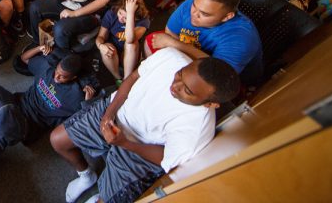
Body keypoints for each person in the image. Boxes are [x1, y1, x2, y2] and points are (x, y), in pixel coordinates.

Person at [50, 46, 240, 203]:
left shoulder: (197, 128)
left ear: (209, 104)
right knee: (58, 140)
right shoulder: (170, 56)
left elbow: (166, 159)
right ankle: (86, 175)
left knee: (107, 200)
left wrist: (124, 143)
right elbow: (132, 78)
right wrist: (109, 114)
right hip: (117, 110)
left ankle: (100, 195)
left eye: (187, 91)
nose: (175, 86)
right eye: (180, 75)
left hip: (141, 151)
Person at [0, 51, 96, 189]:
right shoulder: (48, 69)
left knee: (5, 126)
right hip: (15, 103)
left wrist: (88, 102)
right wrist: (39, 48)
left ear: (74, 77)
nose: (56, 77)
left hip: (28, 125)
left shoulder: (75, 96)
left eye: (62, 77)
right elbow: (23, 59)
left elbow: (85, 123)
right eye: (57, 72)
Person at [147, 0, 263, 85]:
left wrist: (175, 45)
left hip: (219, 76)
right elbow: (171, 31)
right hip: (198, 54)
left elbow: (219, 73)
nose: (193, 14)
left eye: (204, 14)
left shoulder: (241, 38)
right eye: (195, 6)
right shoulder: (189, 4)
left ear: (227, 17)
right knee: (152, 40)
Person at [95, 0, 150, 80]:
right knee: (107, 47)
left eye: (125, 18)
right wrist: (101, 46)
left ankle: (127, 79)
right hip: (114, 48)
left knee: (131, 44)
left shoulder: (143, 21)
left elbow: (130, 39)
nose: (121, 18)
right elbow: (101, 36)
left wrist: (130, 13)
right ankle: (118, 78)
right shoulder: (112, 13)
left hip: (130, 53)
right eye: (120, 13)